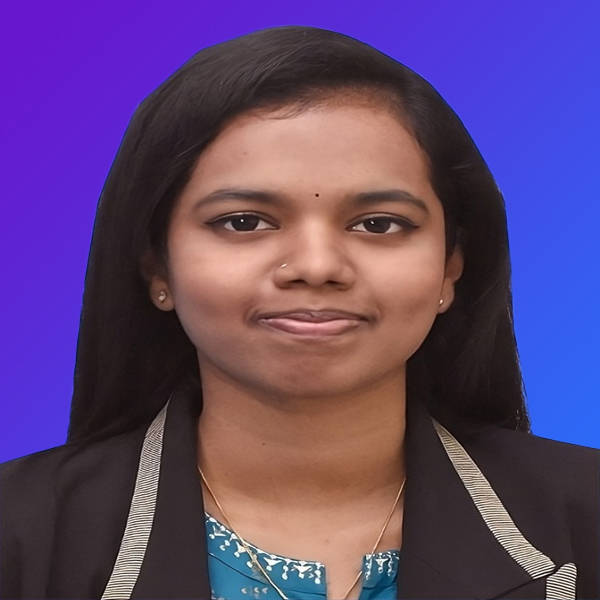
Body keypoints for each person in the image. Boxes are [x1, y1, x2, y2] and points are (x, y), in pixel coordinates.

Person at [1, 25, 598, 600]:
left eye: (378, 224)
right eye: (244, 222)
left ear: (450, 268)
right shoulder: (18, 535)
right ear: (158, 268)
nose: (316, 266)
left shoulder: (585, 517)